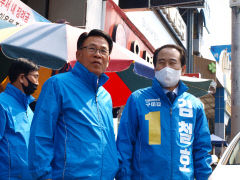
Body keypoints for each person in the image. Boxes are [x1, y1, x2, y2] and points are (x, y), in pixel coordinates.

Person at [28, 29, 119, 180]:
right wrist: (43, 176)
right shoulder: (57, 84)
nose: (98, 54)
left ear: (108, 59)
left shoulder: (106, 97)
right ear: (78, 55)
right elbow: (41, 134)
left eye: (103, 51)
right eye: (92, 48)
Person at [116, 44, 212, 180]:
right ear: (155, 68)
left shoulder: (193, 105)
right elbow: (124, 145)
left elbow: (201, 150)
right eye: (161, 62)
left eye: (172, 63)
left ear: (183, 69)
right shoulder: (138, 99)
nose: (167, 67)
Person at [0, 58, 39, 180]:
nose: (37, 83)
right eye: (35, 77)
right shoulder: (2, 104)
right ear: (21, 78)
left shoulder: (29, 108)